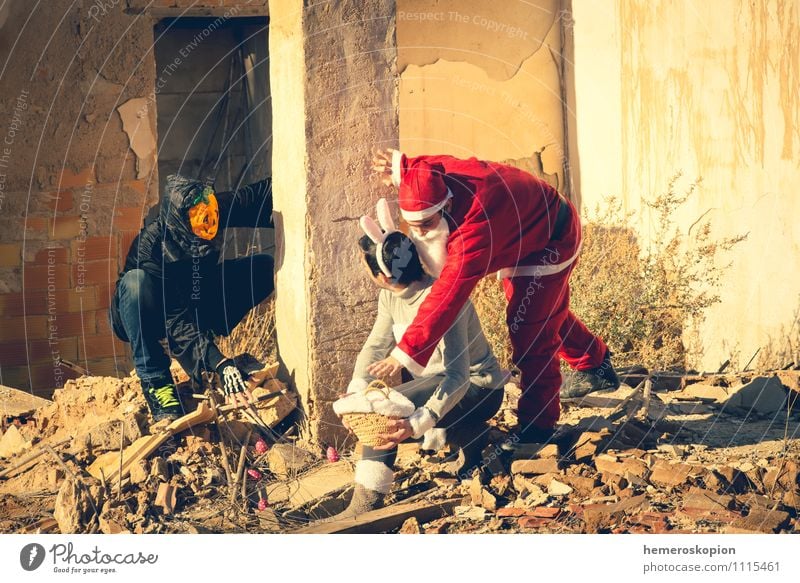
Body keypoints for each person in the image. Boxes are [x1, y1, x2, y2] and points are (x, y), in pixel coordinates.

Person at [368, 150, 620, 443]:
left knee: (529, 329)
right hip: (525, 226)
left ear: (447, 204)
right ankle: (595, 363)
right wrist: (403, 168)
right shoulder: (439, 177)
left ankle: (538, 426)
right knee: (543, 311)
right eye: (414, 226)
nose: (420, 234)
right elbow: (428, 168)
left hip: (553, 236)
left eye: (427, 225)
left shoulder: (473, 232)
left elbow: (447, 295)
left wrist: (405, 351)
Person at [333, 202, 506, 518]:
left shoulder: (444, 298)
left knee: (382, 408)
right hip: (443, 389)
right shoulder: (391, 297)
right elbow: (374, 348)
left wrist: (420, 420)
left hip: (481, 390)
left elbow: (458, 376)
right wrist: (357, 389)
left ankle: (364, 505)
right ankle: (469, 436)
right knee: (371, 400)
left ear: (382, 276)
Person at [109, 174, 274, 422]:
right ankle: (156, 381)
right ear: (181, 222)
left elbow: (255, 197)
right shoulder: (151, 247)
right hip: (152, 310)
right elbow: (176, 322)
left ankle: (205, 343)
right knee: (135, 284)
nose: (208, 230)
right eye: (199, 226)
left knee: (262, 268)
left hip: (194, 297)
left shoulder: (208, 211)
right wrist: (221, 363)